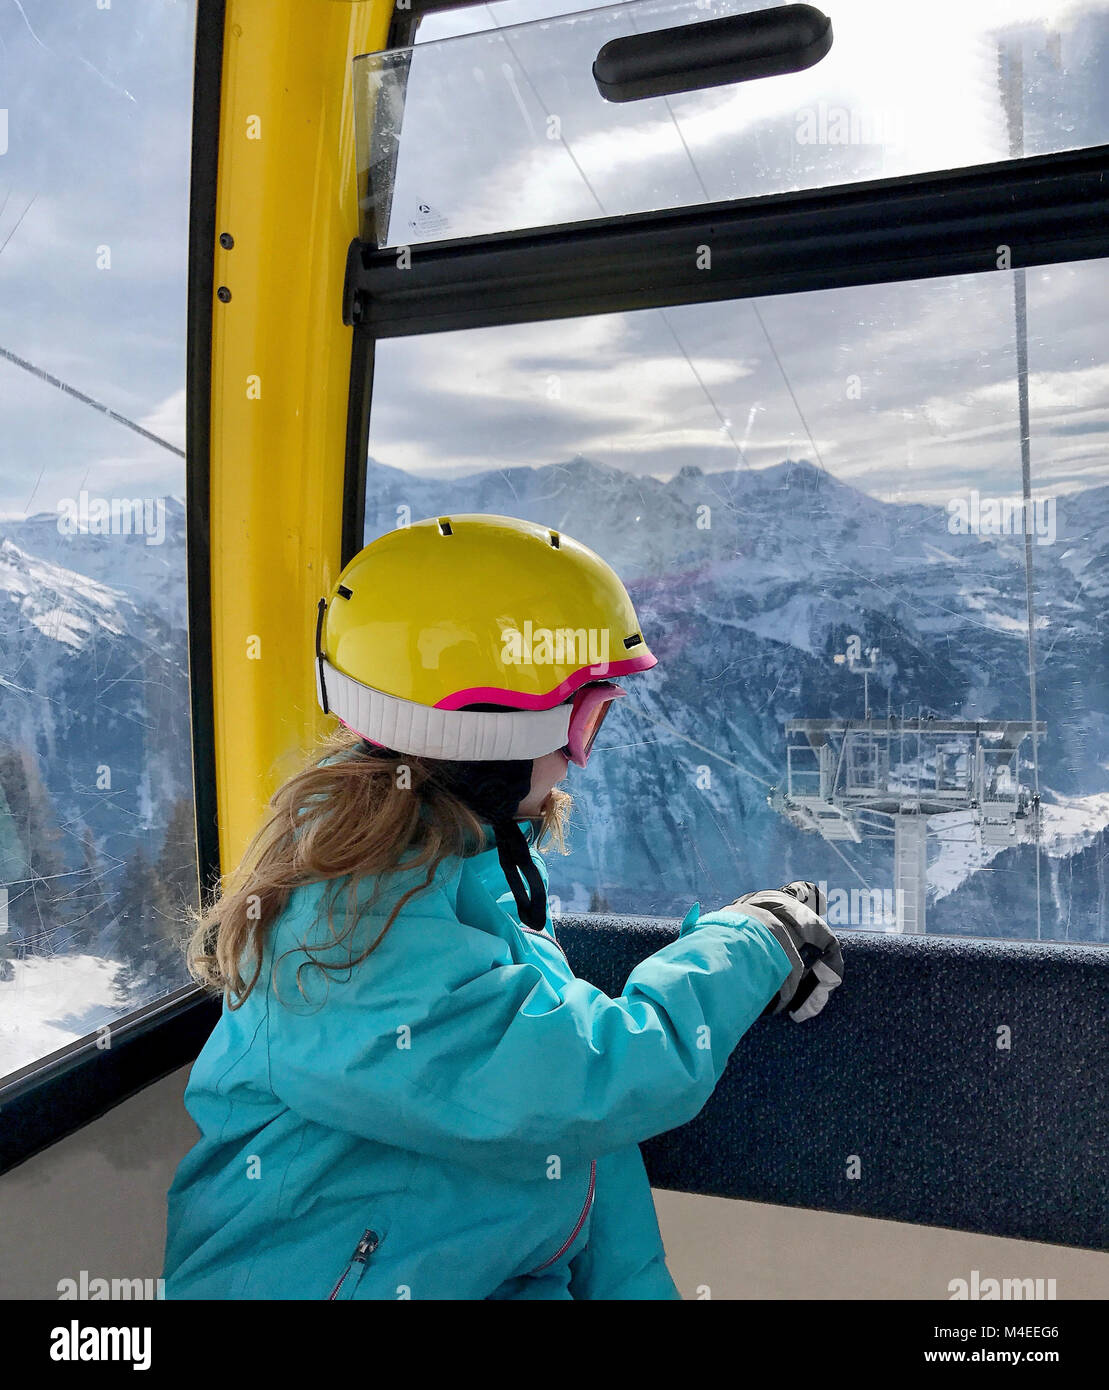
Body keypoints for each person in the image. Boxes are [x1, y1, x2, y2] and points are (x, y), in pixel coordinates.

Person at [162, 514, 843, 1300]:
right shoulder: (341, 936)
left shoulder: (465, 869)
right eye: (587, 719)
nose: (584, 755)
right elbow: (586, 1086)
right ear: (484, 732)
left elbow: (581, 1151)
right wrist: (747, 947)